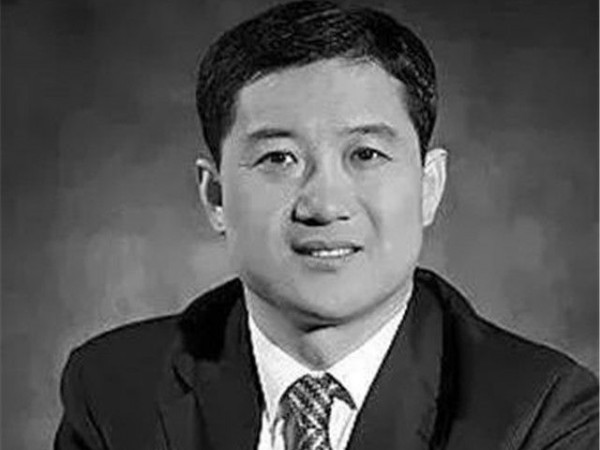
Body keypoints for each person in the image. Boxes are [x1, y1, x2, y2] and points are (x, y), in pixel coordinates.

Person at [54, 1, 598, 449]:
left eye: (365, 154)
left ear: (428, 187)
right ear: (215, 196)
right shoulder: (112, 391)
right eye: (279, 158)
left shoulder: (542, 414)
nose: (324, 204)